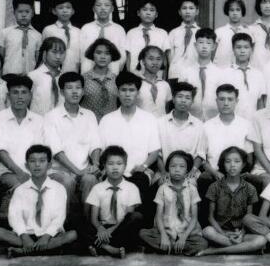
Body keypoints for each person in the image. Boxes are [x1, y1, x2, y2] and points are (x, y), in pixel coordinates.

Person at [0, 145, 77, 258]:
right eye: (32, 161)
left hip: (51, 235)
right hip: (27, 234)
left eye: (42, 161)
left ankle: (25, 251)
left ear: (49, 165)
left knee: (72, 235)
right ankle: (46, 249)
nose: (37, 165)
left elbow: (59, 217)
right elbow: (15, 217)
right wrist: (24, 236)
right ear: (26, 166)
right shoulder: (20, 190)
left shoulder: (59, 188)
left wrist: (46, 236)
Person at [97, 72, 161, 216]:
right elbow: (101, 150)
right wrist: (105, 168)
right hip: (113, 171)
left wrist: (144, 166)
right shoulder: (107, 120)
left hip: (139, 172)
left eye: (131, 90)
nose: (127, 94)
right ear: (117, 92)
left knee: (139, 183)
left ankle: (134, 224)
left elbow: (155, 151)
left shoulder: (149, 119)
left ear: (138, 93)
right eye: (123, 90)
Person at [44, 72, 102, 214]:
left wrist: (95, 164)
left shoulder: (89, 115)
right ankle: (66, 222)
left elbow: (95, 144)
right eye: (69, 88)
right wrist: (77, 172)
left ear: (83, 91)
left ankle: (87, 222)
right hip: (58, 171)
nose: (75, 92)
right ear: (62, 92)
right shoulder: (51, 116)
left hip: (84, 170)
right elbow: (56, 151)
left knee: (90, 179)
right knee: (67, 181)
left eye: (78, 87)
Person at [197, 146, 266, 256]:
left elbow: (248, 218)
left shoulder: (250, 188)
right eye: (228, 161)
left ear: (243, 164)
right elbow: (210, 217)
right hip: (220, 232)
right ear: (223, 164)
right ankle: (243, 248)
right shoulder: (214, 187)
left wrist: (241, 235)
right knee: (207, 231)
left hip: (240, 233)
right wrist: (223, 234)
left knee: (262, 240)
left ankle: (216, 251)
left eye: (237, 161)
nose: (232, 165)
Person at [0, 75, 45, 213]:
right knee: (24, 188)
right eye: (15, 92)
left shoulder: (39, 120)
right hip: (7, 173)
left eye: (24, 92)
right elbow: (0, 152)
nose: (20, 97)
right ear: (8, 96)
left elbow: (41, 152)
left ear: (30, 95)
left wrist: (35, 174)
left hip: (35, 172)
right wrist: (20, 173)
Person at [138, 151, 207, 256]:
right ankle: (173, 247)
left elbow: (194, 218)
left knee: (203, 243)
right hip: (167, 231)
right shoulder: (162, 188)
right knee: (142, 233)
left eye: (182, 166)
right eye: (173, 166)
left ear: (187, 170)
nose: (177, 169)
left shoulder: (192, 189)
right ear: (168, 169)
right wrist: (164, 236)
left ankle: (168, 248)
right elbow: (158, 216)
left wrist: (183, 237)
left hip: (187, 234)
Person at [83, 146, 144, 258]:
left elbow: (129, 215)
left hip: (121, 228)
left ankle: (99, 246)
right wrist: (100, 229)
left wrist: (111, 230)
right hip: (103, 228)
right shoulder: (97, 188)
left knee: (136, 217)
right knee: (80, 222)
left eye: (119, 164)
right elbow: (93, 218)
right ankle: (110, 248)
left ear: (125, 166)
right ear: (104, 166)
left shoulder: (132, 188)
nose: (115, 167)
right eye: (110, 164)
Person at [198, 85, 253, 203]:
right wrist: (214, 172)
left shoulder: (246, 125)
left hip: (240, 173)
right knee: (203, 179)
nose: (226, 103)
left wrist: (240, 174)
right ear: (216, 101)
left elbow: (249, 156)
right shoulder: (207, 126)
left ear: (236, 101)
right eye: (222, 99)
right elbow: (202, 158)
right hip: (215, 173)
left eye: (230, 99)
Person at [157, 82, 207, 179]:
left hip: (190, 172)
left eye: (187, 98)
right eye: (180, 96)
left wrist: (193, 170)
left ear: (192, 101)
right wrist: (163, 172)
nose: (183, 100)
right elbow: (157, 153)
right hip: (165, 171)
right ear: (173, 99)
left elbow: (200, 153)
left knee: (194, 185)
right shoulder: (160, 123)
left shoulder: (199, 125)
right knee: (160, 185)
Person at [173, 28, 225, 121]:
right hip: (191, 119)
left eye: (208, 43)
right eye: (201, 42)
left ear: (214, 46)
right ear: (195, 45)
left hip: (214, 119)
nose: (204, 46)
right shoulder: (186, 72)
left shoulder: (220, 73)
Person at [80, 0, 127, 75]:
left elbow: (122, 55)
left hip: (112, 72)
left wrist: (115, 68)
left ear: (112, 9)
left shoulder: (119, 29)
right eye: (98, 5)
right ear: (94, 8)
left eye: (107, 5)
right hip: (88, 71)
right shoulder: (86, 28)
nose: (103, 8)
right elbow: (81, 52)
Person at [225, 32, 267, 121]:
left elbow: (260, 102)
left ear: (251, 49)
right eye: (238, 47)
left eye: (246, 47)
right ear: (233, 49)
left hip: (253, 122)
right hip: (233, 122)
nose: (242, 51)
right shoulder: (226, 73)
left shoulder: (258, 74)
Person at [0, 0, 42, 75]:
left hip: (30, 76)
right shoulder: (5, 33)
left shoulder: (38, 36)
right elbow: (0, 58)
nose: (24, 15)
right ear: (14, 13)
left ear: (32, 13)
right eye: (20, 11)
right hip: (9, 75)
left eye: (27, 12)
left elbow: (38, 60)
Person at [80, 38, 121, 121]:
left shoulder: (117, 80)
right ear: (92, 55)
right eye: (98, 53)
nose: (102, 57)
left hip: (111, 124)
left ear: (112, 56)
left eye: (107, 53)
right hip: (88, 123)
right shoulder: (83, 79)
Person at [126, 1, 169, 77]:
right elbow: (128, 57)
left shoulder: (163, 33)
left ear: (156, 14)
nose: (148, 13)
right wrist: (129, 75)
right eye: (144, 9)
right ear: (138, 13)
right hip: (135, 75)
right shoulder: (131, 33)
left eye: (152, 10)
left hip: (157, 75)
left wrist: (164, 77)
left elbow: (164, 58)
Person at [41, 0, 81, 74]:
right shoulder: (48, 30)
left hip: (74, 72)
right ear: (54, 11)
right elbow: (43, 53)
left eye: (68, 7)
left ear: (73, 11)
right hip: (53, 72)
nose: (65, 11)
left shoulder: (78, 32)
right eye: (60, 8)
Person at [28, 37, 66, 115]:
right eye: (54, 52)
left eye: (62, 53)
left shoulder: (65, 78)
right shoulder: (32, 76)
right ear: (45, 53)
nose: (58, 56)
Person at [168, 0, 202, 79]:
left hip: (195, 73)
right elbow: (169, 56)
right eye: (184, 8)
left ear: (197, 11)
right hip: (176, 73)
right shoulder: (173, 33)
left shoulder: (201, 32)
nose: (187, 11)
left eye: (191, 8)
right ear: (179, 12)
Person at [214, 0, 250, 68]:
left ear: (242, 12)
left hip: (240, 69)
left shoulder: (247, 31)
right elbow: (212, 53)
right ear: (227, 11)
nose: (235, 13)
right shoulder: (219, 32)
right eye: (231, 10)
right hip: (222, 69)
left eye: (238, 10)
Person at [136, 46, 172, 117]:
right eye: (151, 59)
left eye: (158, 59)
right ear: (143, 61)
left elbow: (167, 110)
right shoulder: (136, 83)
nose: (155, 62)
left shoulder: (165, 85)